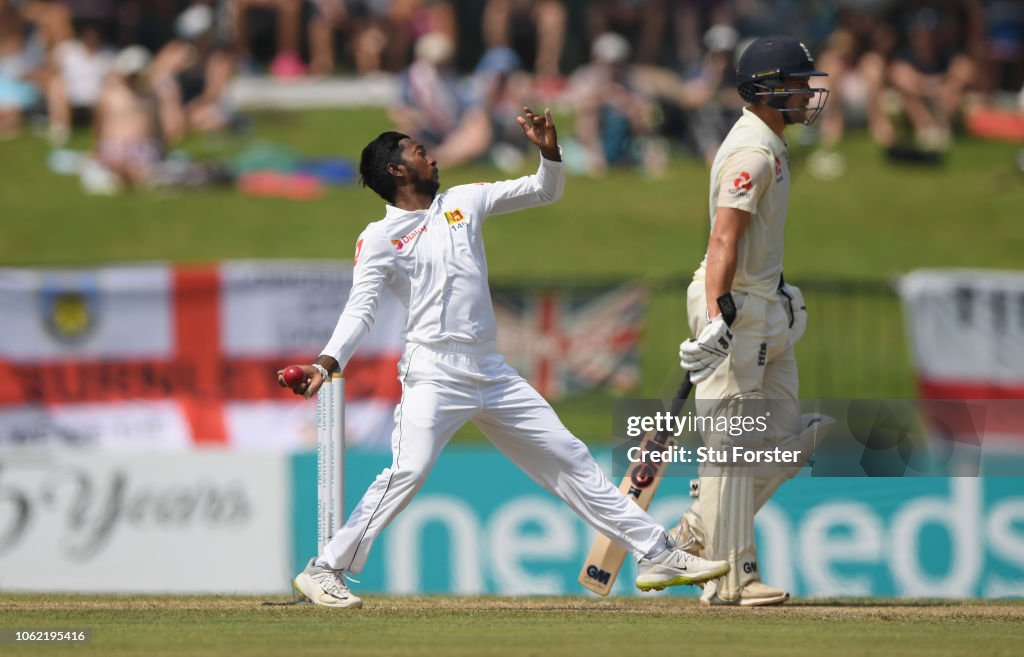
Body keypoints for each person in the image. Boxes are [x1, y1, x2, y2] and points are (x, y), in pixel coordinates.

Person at [277, 107, 729, 608]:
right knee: (408, 470)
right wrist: (326, 362)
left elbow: (544, 189)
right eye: (418, 152)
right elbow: (359, 310)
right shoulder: (380, 237)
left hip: (490, 371)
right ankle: (325, 568)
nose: (430, 156)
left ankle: (656, 552)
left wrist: (549, 151)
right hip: (434, 373)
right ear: (396, 170)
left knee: (571, 458)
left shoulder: (464, 201)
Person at [671, 35, 835, 607]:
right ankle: (729, 580)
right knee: (733, 449)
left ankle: (696, 527)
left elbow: (756, 240)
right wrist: (717, 315)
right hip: (735, 307)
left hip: (763, 305)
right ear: (766, 88)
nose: (807, 94)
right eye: (797, 83)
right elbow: (724, 237)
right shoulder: (753, 153)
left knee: (788, 437)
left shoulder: (772, 142)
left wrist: (780, 292)